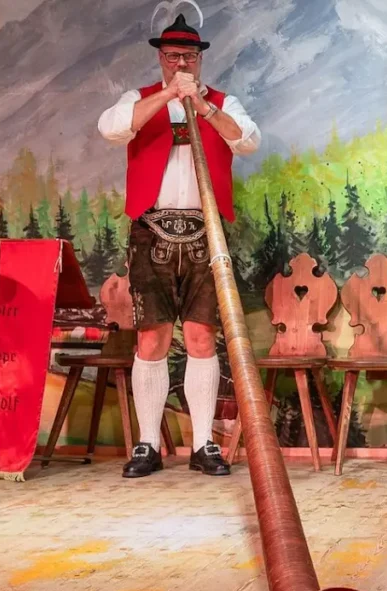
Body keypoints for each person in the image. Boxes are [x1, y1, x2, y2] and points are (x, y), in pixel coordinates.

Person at [98, 14, 261, 478]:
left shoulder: (225, 103)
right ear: (161, 58)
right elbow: (111, 129)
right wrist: (168, 94)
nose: (181, 63)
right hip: (151, 230)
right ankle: (148, 444)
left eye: (189, 56)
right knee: (152, 338)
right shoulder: (140, 99)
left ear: (200, 58)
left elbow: (248, 141)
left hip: (204, 229)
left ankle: (203, 443)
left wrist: (205, 107)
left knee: (201, 337)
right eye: (173, 56)